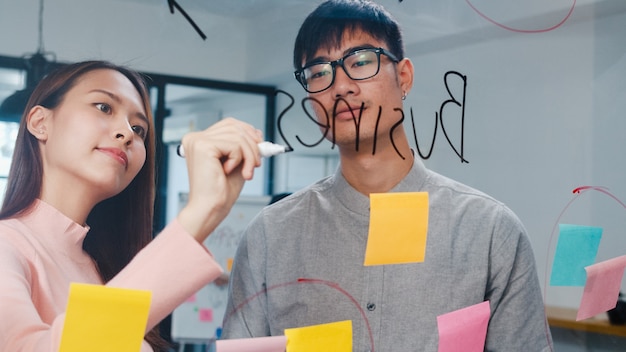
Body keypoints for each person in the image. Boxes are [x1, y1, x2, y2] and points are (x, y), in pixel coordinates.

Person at [222, 1, 553, 351]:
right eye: (319, 71)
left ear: (404, 77)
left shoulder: (489, 231)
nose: (341, 86)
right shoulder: (270, 236)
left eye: (361, 61)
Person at [0, 60, 264, 351]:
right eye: (103, 107)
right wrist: (200, 214)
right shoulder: (7, 244)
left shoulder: (108, 268)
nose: (127, 133)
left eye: (138, 128)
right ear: (40, 123)